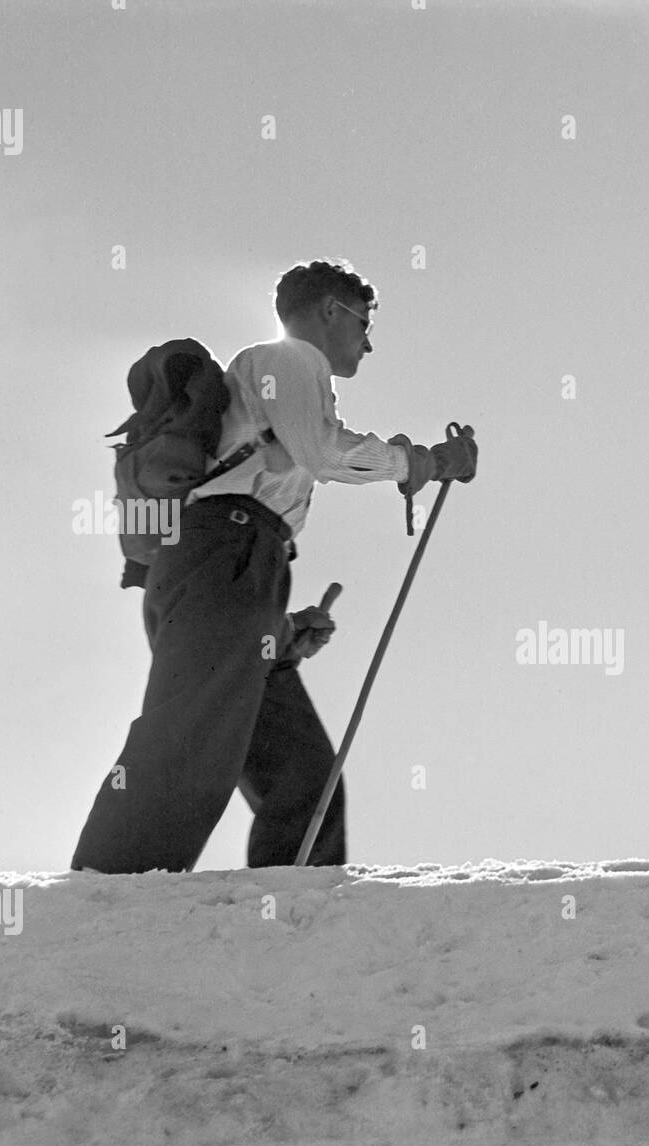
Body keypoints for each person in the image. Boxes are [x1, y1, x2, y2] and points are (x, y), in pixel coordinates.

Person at [71, 258, 477, 873]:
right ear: (328, 311)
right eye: (364, 322)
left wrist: (280, 631)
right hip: (223, 553)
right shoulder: (290, 360)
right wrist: (421, 463)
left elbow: (265, 491)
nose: (368, 341)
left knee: (304, 779)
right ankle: (101, 899)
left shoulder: (282, 381)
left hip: (237, 567)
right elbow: (318, 453)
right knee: (190, 735)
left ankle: (292, 916)